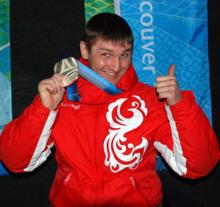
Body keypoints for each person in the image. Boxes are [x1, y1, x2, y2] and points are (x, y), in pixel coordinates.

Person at [0, 12, 219, 207]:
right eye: (106, 54)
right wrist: (43, 107)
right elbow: (16, 161)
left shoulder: (149, 99)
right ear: (85, 50)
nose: (116, 66)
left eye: (124, 54)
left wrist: (179, 104)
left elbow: (198, 166)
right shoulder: (61, 96)